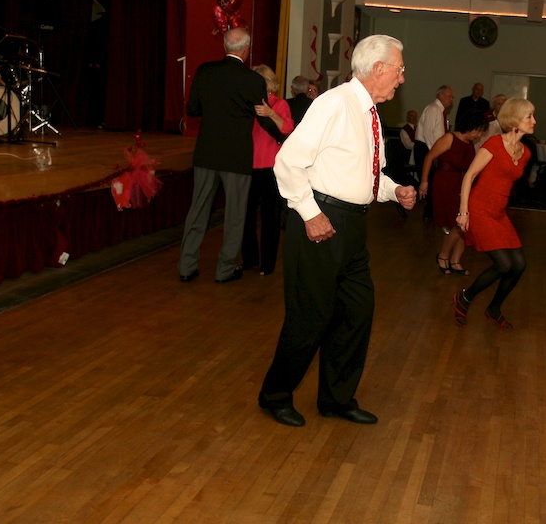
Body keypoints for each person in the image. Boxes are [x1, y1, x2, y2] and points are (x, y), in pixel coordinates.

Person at [257, 35, 416, 427]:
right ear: (378, 69)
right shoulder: (334, 104)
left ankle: (336, 398)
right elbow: (287, 162)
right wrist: (310, 215)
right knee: (309, 317)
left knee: (356, 312)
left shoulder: (370, 113)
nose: (401, 77)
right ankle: (274, 396)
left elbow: (366, 175)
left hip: (352, 227)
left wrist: (395, 190)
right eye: (399, 69)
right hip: (321, 223)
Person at [177, 28, 273, 284]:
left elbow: (193, 109)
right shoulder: (253, 81)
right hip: (236, 157)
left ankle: (186, 266)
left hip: (207, 153)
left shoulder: (205, 72)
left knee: (197, 211)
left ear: (224, 46)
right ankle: (225, 270)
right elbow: (264, 119)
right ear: (246, 49)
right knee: (235, 215)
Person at [453, 98, 536, 330]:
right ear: (515, 120)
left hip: (499, 212)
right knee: (503, 265)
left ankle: (494, 307)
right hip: (479, 209)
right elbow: (469, 176)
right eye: (529, 116)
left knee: (519, 265)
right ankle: (465, 298)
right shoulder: (494, 144)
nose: (534, 121)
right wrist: (464, 211)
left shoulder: (525, 152)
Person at [241, 64, 295, 275]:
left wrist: (270, 113)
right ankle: (250, 259)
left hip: (271, 168)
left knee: (270, 217)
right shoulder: (248, 104)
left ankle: (268, 264)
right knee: (246, 216)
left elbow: (287, 128)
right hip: (249, 166)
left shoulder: (279, 104)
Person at [419, 111, 487, 276]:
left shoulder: (469, 143)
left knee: (465, 224)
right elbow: (429, 157)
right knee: (458, 224)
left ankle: (455, 260)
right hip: (444, 182)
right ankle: (443, 256)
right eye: (477, 130)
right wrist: (424, 181)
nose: (478, 135)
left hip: (461, 184)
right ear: (470, 126)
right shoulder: (449, 138)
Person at [414, 85, 454, 219]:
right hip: (426, 148)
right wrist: (434, 154)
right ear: (440, 95)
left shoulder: (440, 111)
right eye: (449, 96)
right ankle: (429, 212)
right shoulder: (433, 109)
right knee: (430, 181)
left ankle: (432, 211)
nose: (451, 99)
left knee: (434, 181)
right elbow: (428, 134)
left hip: (431, 149)